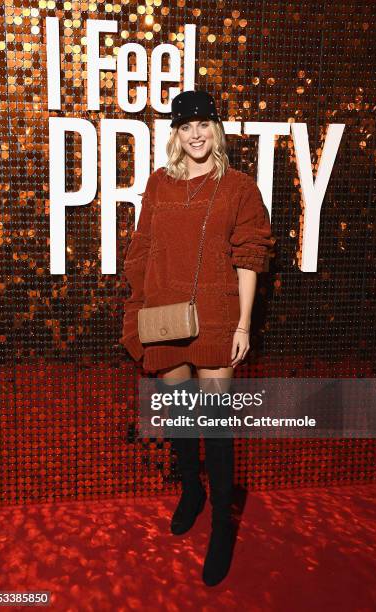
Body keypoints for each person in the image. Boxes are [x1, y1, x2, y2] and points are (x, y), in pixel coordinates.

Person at [119, 89, 275, 586]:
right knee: (181, 416)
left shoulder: (239, 187)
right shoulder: (159, 185)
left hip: (215, 313)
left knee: (217, 424)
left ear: (217, 129)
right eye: (186, 126)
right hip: (164, 313)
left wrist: (243, 324)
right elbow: (142, 250)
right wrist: (139, 311)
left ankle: (223, 527)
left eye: (204, 123)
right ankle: (192, 491)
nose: (196, 134)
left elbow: (251, 256)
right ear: (175, 134)